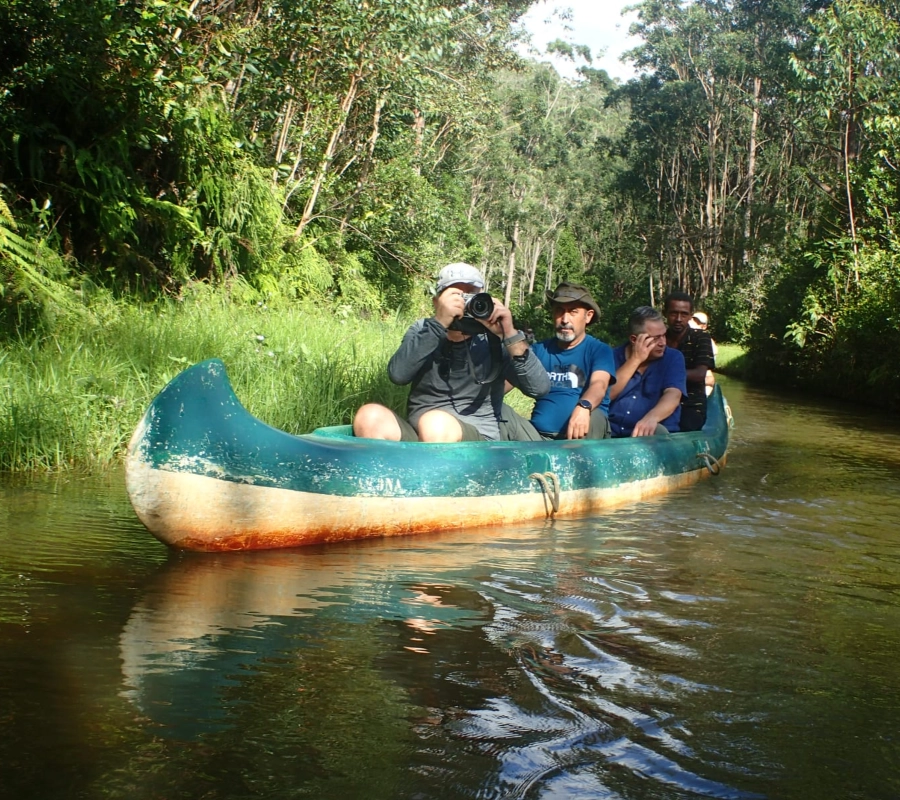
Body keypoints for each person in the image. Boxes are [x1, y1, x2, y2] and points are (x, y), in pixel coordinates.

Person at [352, 262, 550, 442]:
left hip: (475, 439)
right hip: (420, 437)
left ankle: (426, 478)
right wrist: (438, 325)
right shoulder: (423, 330)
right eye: (455, 296)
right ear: (436, 302)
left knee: (435, 423)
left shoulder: (495, 338)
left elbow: (539, 388)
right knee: (369, 416)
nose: (462, 305)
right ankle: (385, 480)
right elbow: (398, 375)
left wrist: (509, 333)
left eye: (471, 297)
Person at [501, 282, 615, 441]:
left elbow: (599, 385)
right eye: (559, 311)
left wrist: (584, 407)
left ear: (588, 316)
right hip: (538, 438)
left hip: (584, 436)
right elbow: (505, 384)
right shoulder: (539, 350)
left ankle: (577, 463)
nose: (565, 319)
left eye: (573, 312)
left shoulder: (599, 350)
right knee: (495, 408)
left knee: (595, 415)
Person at [608, 306, 686, 437]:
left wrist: (651, 418)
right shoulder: (611, 356)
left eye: (664, 336)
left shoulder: (673, 358)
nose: (663, 343)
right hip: (612, 432)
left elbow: (673, 395)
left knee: (657, 431)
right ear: (634, 339)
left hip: (653, 433)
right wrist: (635, 360)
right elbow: (605, 394)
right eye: (655, 338)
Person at [663, 292, 716, 430]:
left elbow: (700, 374)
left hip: (691, 404)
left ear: (690, 316)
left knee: (686, 426)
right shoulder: (659, 337)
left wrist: (664, 374)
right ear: (665, 313)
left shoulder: (701, 337)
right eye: (674, 313)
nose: (679, 319)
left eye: (684, 314)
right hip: (659, 400)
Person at [689, 311, 718, 395]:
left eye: (698, 323)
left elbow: (708, 376)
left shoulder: (708, 343)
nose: (695, 324)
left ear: (704, 326)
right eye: (694, 321)